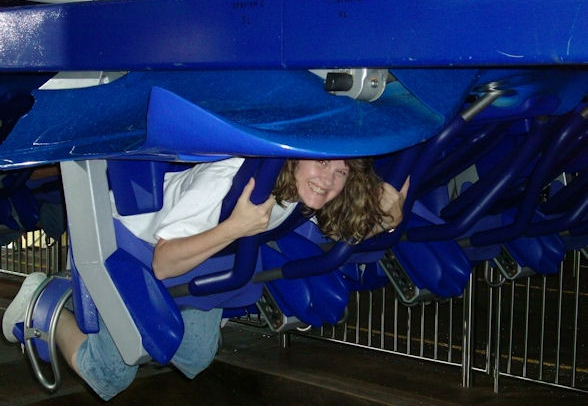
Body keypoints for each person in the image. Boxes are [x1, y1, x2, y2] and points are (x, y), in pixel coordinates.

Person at [2, 157, 408, 401]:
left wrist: (390, 219)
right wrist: (234, 228)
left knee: (195, 358)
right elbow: (161, 264)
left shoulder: (299, 191)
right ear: (297, 156)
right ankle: (42, 298)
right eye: (322, 162)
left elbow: (342, 231)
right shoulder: (228, 180)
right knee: (111, 375)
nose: (328, 180)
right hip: (123, 245)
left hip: (196, 260)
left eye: (340, 173)